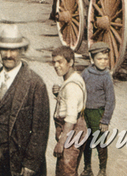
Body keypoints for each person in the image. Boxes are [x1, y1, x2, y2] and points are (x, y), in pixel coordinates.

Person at [0, 24, 50, 176]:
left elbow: (40, 130)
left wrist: (31, 163)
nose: (8, 55)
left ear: (22, 51)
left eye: (13, 50)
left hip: (18, 160)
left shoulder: (35, 83)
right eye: (4, 50)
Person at [50, 46, 86, 176]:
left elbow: (71, 117)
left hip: (71, 131)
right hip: (77, 129)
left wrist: (61, 142)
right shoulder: (74, 79)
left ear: (70, 63)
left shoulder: (71, 86)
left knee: (66, 172)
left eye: (60, 62)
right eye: (54, 62)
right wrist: (59, 94)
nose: (56, 65)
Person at [81, 43, 115, 176]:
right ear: (92, 60)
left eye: (105, 59)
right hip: (86, 113)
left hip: (98, 114)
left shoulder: (106, 77)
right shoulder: (86, 73)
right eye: (99, 59)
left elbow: (111, 100)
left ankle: (102, 169)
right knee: (86, 141)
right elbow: (78, 86)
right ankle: (87, 168)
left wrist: (105, 120)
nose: (103, 62)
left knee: (100, 142)